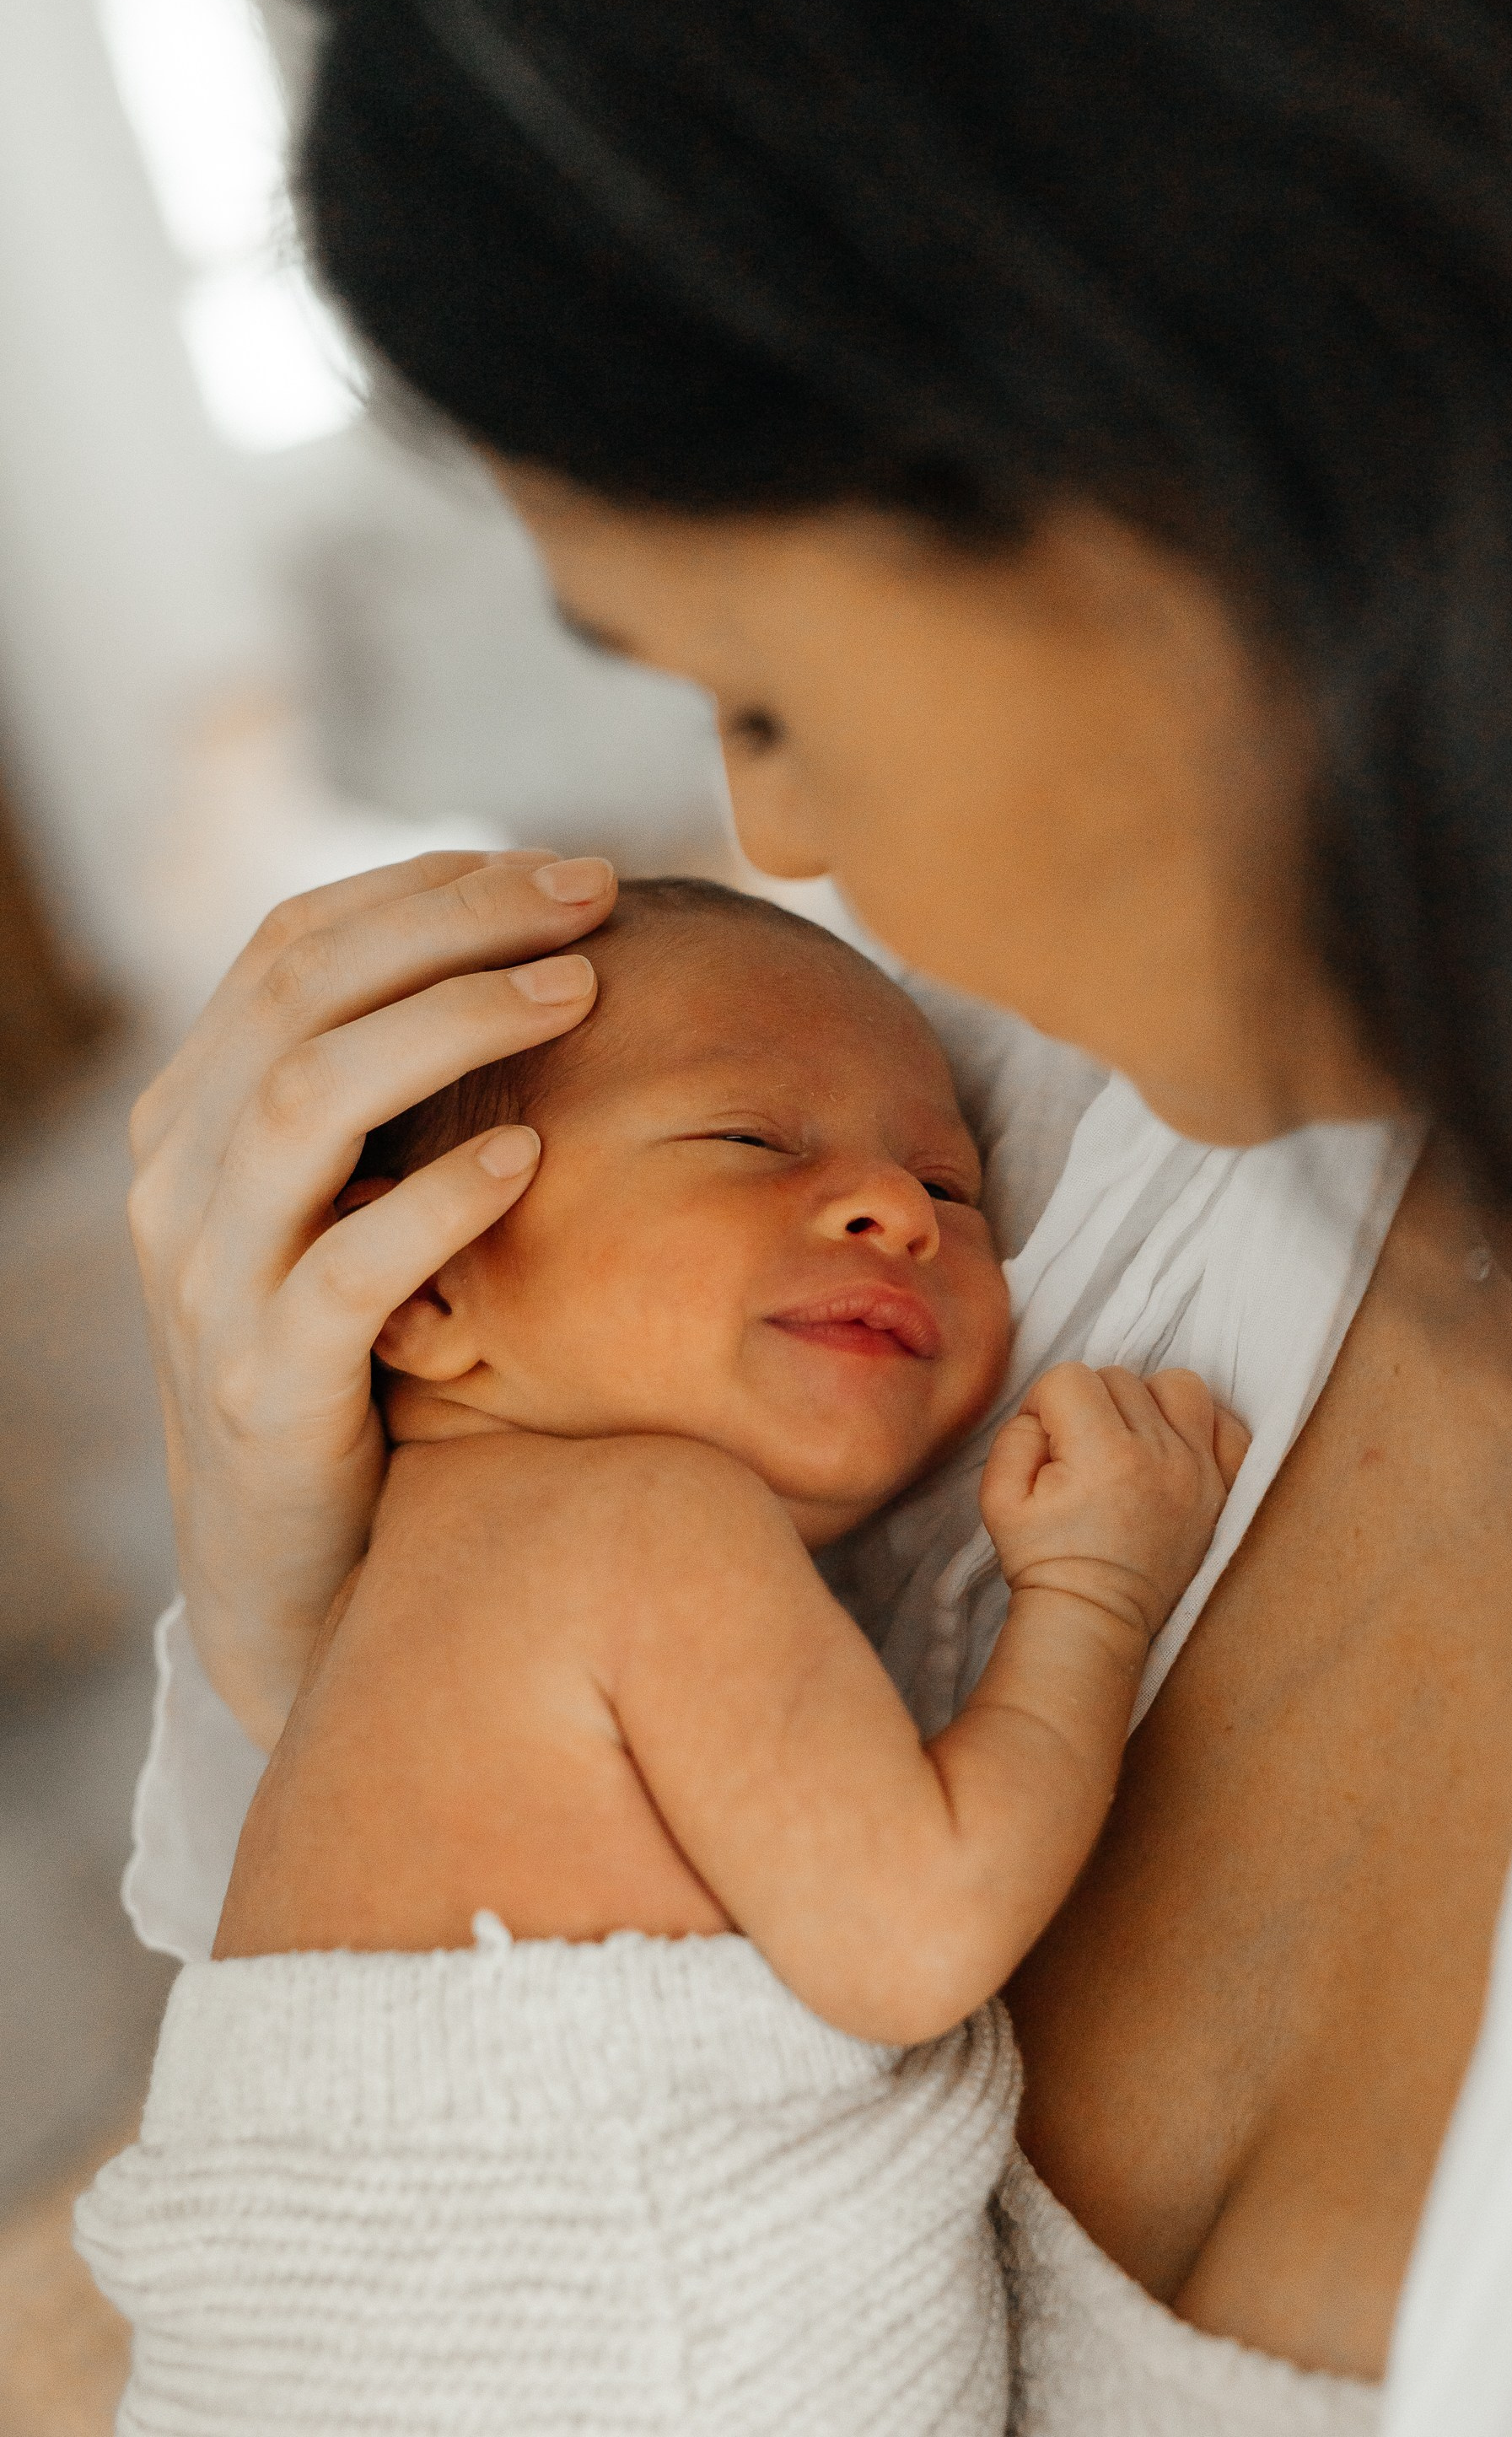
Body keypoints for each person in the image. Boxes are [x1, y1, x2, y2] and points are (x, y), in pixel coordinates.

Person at [120, 0, 1512, 2430]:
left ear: (1236, 472)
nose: (775, 833)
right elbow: (407, 2166)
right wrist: (294, 1606)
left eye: (758, 681)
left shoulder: (956, 1137)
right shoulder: (1040, 1104)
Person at [82, 880, 1244, 2433]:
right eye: (754, 1143)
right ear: (424, 1283)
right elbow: (916, 1930)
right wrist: (1097, 1588)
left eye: (952, 1188)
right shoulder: (638, 1515)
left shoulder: (394, 1595)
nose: (894, 1211)